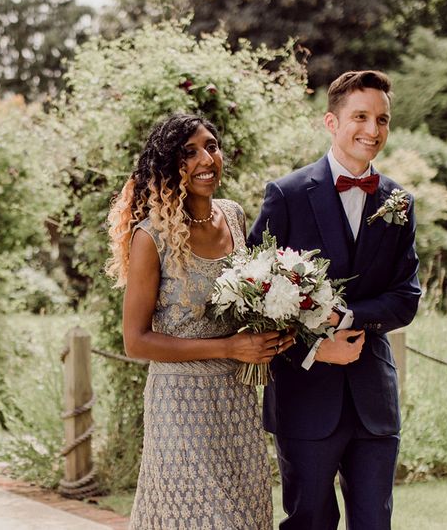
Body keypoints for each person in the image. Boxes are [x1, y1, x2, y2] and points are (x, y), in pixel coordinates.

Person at [249, 70, 421, 530]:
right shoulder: (285, 195)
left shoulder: (398, 202)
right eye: (360, 116)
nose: (373, 130)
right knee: (309, 522)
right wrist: (313, 347)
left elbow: (406, 296)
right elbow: (252, 299)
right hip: (305, 397)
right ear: (331, 121)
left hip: (373, 400)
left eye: (382, 119)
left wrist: (350, 316)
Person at [107, 113, 293, 530]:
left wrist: (276, 323)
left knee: (246, 516)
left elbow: (247, 302)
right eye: (189, 152)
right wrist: (228, 347)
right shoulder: (150, 236)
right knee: (204, 518)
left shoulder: (234, 216)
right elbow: (135, 341)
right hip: (179, 405)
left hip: (238, 399)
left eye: (211, 146)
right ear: (168, 166)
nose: (206, 158)